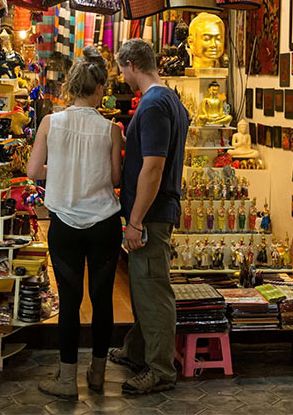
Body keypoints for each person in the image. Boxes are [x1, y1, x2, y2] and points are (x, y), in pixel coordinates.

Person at [27, 46, 123, 401]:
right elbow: (115, 176)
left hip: (64, 223)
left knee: (69, 301)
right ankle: (97, 374)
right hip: (104, 223)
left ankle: (66, 380)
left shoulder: (51, 122)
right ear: (98, 89)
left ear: (70, 87)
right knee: (102, 300)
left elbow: (33, 171)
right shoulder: (111, 129)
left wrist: (62, 172)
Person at [111, 38, 189, 394]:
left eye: (120, 68)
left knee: (153, 289)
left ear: (131, 64)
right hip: (155, 210)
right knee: (143, 286)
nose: (119, 75)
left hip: (152, 213)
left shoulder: (155, 104)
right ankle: (136, 350)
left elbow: (153, 168)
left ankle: (159, 369)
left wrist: (136, 220)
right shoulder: (168, 98)